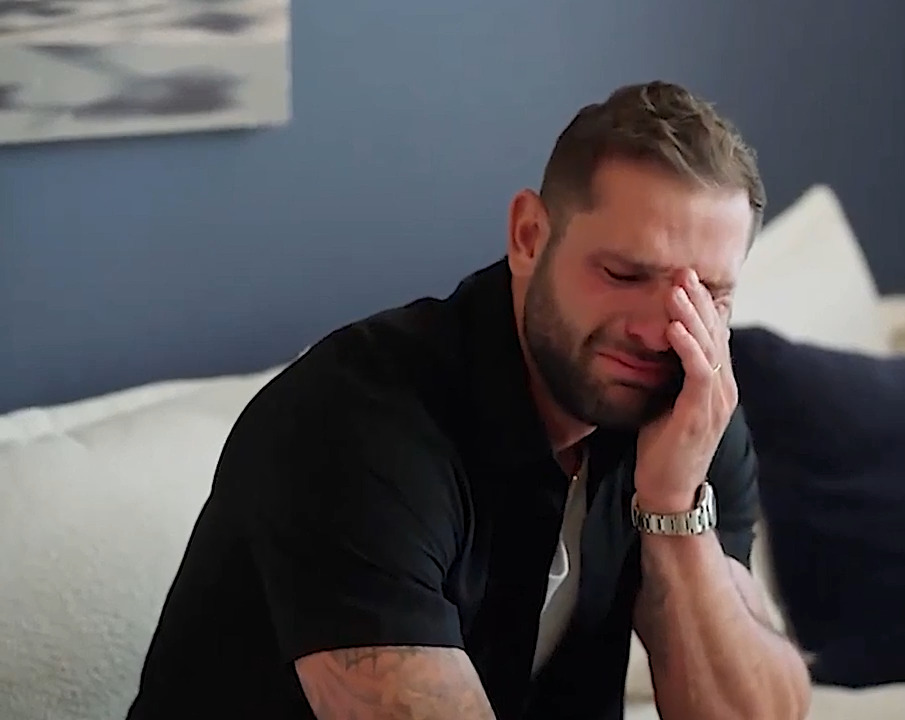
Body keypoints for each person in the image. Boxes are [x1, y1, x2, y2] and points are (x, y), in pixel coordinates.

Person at [126, 80, 812, 720]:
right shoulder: (351, 422)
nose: (660, 331)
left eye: (707, 295)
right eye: (624, 273)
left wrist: (673, 508)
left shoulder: (684, 403)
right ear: (529, 237)